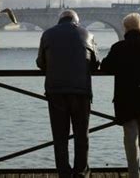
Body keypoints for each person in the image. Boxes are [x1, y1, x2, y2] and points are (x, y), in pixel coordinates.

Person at [100, 13, 140, 178]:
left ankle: (133, 174)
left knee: (130, 139)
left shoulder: (118, 47)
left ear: (126, 28)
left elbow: (106, 67)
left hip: (126, 98)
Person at [36, 9, 99, 178]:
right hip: (81, 92)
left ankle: (64, 173)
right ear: (76, 21)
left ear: (60, 20)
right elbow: (95, 65)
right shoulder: (88, 35)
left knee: (60, 135)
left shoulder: (47, 35)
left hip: (56, 92)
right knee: (81, 135)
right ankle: (81, 172)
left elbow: (40, 63)